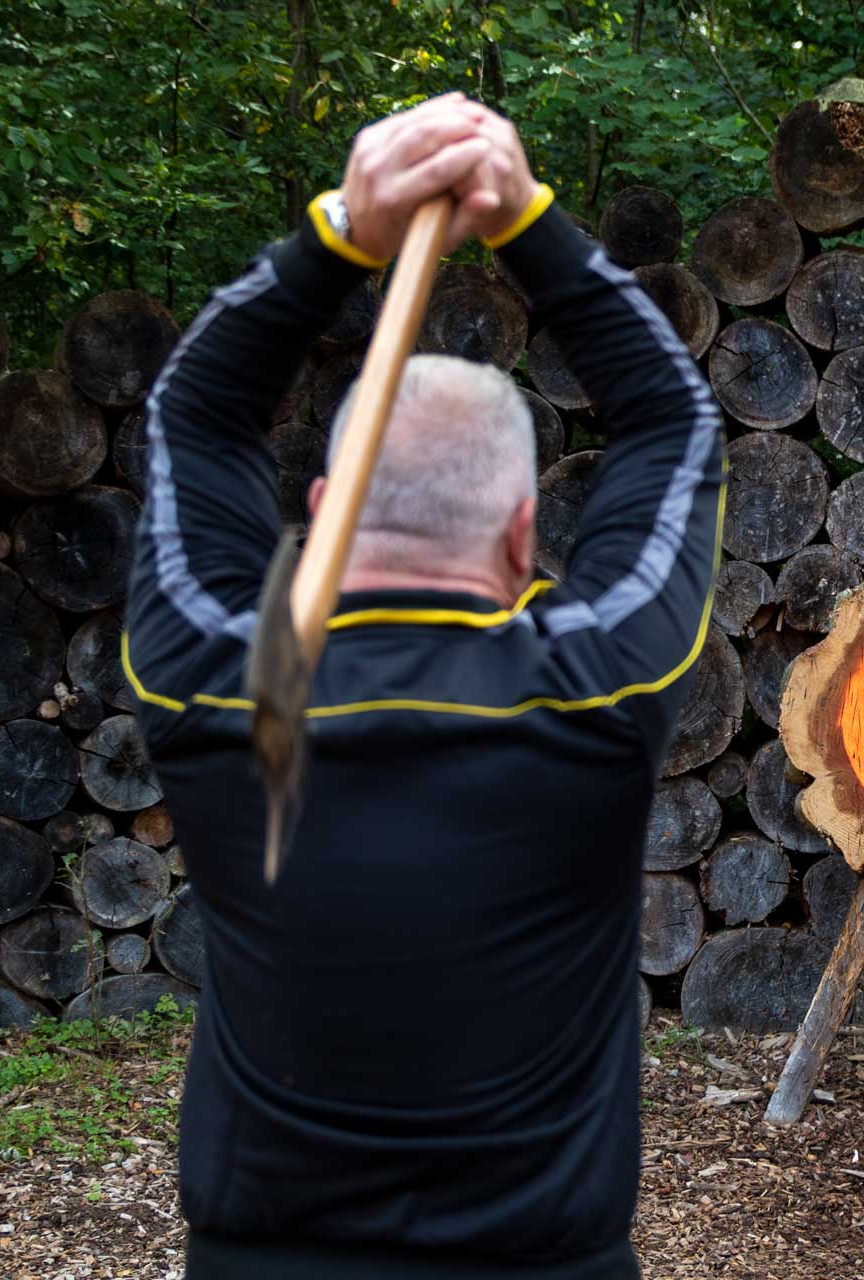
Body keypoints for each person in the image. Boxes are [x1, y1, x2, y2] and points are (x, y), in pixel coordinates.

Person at [122, 94, 723, 1279]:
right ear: (525, 532)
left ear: (318, 510)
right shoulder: (595, 685)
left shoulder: (217, 678)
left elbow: (191, 416)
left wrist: (344, 232)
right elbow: (675, 420)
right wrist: (527, 220)